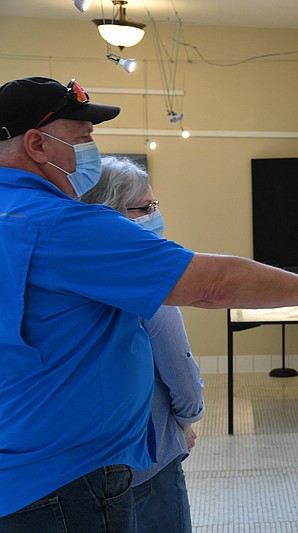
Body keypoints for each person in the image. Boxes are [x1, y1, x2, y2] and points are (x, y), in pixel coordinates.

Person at [0, 76, 298, 532]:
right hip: (65, 477)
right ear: (36, 144)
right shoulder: (60, 224)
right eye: (82, 138)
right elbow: (215, 285)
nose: (91, 149)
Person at [80, 156, 204, 532]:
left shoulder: (70, 269)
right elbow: (178, 369)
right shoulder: (146, 280)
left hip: (82, 465)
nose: (155, 215)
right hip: (146, 461)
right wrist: (185, 420)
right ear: (113, 212)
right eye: (146, 208)